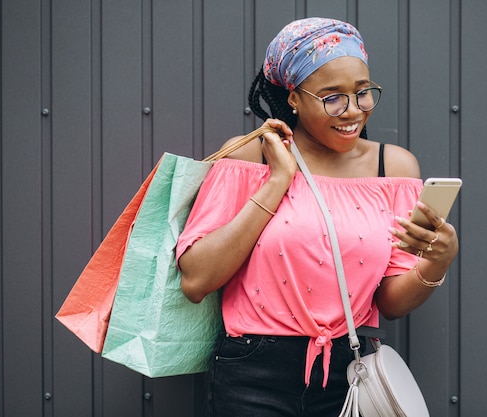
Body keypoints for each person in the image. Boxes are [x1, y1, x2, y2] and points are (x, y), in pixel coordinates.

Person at [176, 17, 458, 417]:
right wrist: (278, 180)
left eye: (364, 93)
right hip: (252, 371)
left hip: (350, 374)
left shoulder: (392, 168)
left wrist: (438, 260)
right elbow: (196, 280)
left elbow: (390, 303)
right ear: (293, 97)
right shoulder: (248, 156)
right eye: (332, 97)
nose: (353, 111)